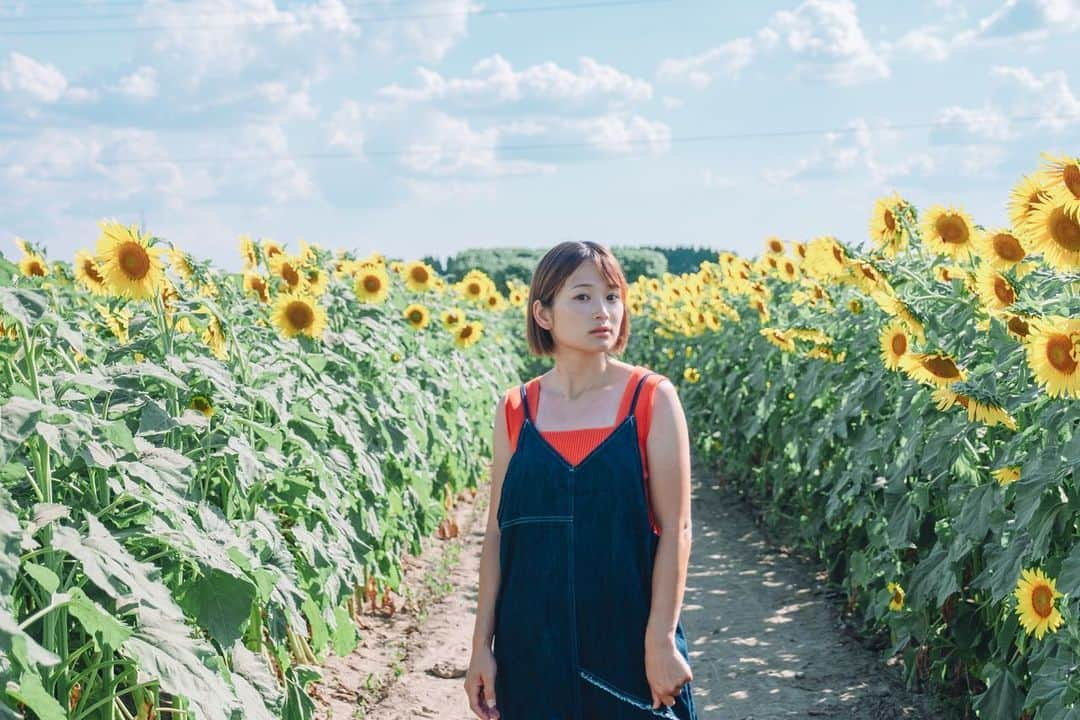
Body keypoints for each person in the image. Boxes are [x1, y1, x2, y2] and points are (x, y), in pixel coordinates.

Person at [464, 241, 698, 719]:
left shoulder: (650, 399)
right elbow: (497, 535)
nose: (604, 311)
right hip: (531, 644)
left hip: (626, 641)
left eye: (613, 296)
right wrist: (480, 647)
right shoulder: (516, 410)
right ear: (543, 314)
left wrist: (659, 640)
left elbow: (677, 530)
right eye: (583, 297)